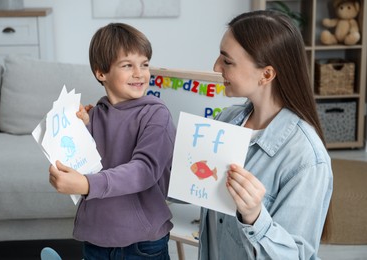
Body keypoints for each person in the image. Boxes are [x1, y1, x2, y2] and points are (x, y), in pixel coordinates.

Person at [198, 10, 333, 259]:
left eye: (227, 61)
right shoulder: (225, 121)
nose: (216, 67)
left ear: (267, 74)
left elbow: (296, 255)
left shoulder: (306, 158)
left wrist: (255, 217)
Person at [48, 23, 176, 259]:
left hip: (143, 242)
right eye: (128, 65)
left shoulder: (157, 115)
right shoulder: (95, 115)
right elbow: (87, 160)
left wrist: (87, 185)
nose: (140, 73)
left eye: (144, 64)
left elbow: (144, 170)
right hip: (96, 238)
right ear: (101, 73)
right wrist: (81, 128)